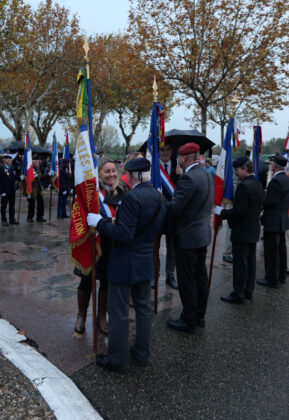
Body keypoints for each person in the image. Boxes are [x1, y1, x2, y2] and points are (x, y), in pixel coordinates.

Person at [87, 158, 166, 373]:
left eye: (128, 174)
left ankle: (117, 360)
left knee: (119, 312)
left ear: (135, 175)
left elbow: (124, 234)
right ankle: (141, 354)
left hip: (124, 263)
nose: (125, 177)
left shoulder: (132, 198)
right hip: (145, 260)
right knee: (143, 309)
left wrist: (100, 223)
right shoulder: (159, 196)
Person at [166, 143, 214, 334]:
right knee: (200, 277)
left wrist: (160, 200)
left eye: (179, 157)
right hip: (202, 235)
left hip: (187, 237)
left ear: (184, 158)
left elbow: (176, 208)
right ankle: (199, 316)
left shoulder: (188, 178)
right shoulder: (205, 174)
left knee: (187, 281)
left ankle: (189, 320)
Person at [74, 158, 124, 335]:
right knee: (87, 279)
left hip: (112, 242)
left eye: (113, 171)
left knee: (107, 280)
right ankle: (81, 315)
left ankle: (101, 316)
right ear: (99, 174)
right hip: (92, 241)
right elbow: (79, 215)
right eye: (107, 171)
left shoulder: (121, 191)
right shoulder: (92, 192)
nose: (111, 174)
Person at [215, 157, 264, 303]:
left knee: (240, 264)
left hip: (242, 231)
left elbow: (240, 211)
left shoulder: (244, 186)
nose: (236, 173)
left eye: (237, 170)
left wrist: (223, 213)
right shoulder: (257, 183)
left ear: (244, 169)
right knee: (250, 262)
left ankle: (238, 293)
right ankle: (248, 291)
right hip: (253, 229)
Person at [257, 153, 289, 288]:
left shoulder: (276, 181)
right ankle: (281, 276)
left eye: (272, 163)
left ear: (275, 165)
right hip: (282, 219)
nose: (271, 165)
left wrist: (260, 199)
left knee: (272, 251)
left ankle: (271, 279)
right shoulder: (286, 179)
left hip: (273, 219)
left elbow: (272, 201)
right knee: (281, 249)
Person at [159, 142, 179, 289]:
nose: (165, 152)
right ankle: (154, 276)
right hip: (157, 213)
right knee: (154, 246)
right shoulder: (153, 167)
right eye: (162, 149)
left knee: (172, 248)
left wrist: (182, 176)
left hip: (173, 213)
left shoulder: (178, 167)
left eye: (168, 149)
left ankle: (170, 276)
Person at [25, 156, 46, 223]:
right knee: (31, 204)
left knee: (41, 202)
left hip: (38, 188)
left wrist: (48, 175)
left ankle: (40, 217)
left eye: (38, 161)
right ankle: (30, 217)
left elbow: (41, 177)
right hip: (31, 188)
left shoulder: (38, 168)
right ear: (33, 162)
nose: (38, 163)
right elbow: (26, 179)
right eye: (37, 162)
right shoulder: (29, 168)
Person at [0, 154, 18, 226]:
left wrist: (20, 178)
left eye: (11, 160)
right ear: (4, 160)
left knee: (12, 206)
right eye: (9, 160)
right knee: (4, 206)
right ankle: (4, 220)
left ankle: (11, 219)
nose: (10, 161)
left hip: (12, 190)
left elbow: (14, 177)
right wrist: (1, 191)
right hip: (5, 190)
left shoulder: (12, 167)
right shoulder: (1, 168)